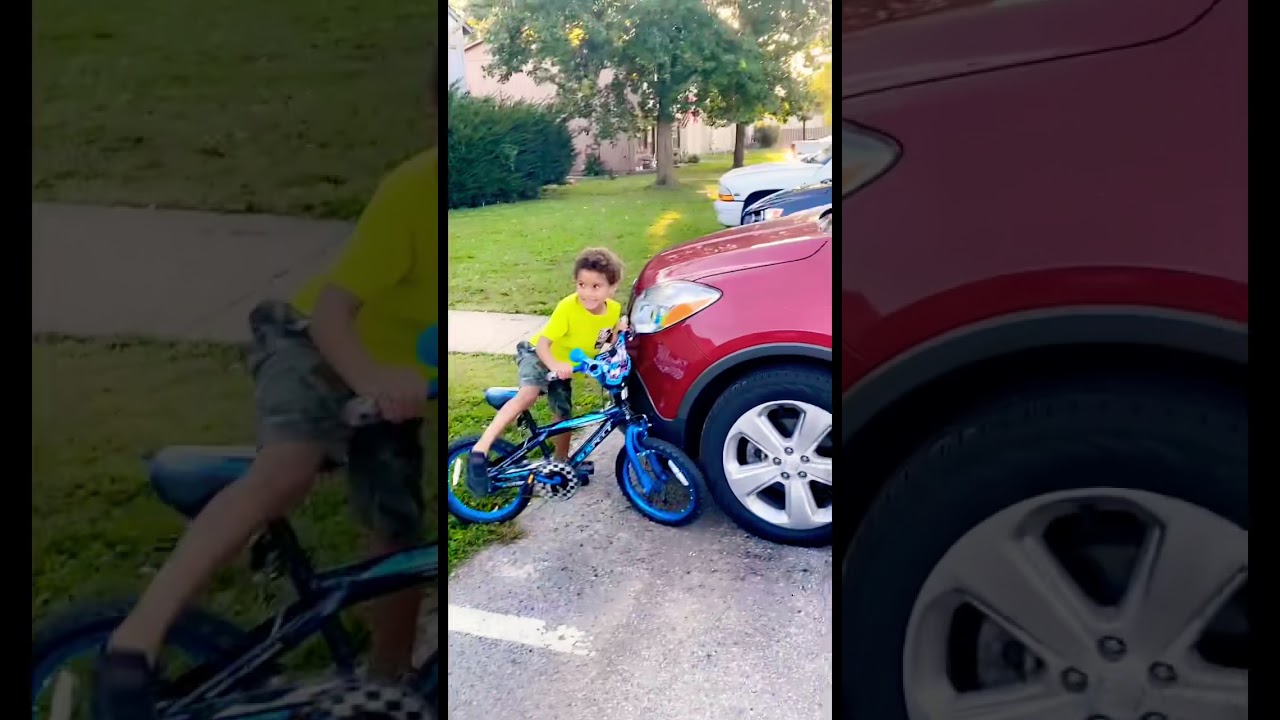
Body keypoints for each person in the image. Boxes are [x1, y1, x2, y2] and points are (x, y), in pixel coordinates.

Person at [91, 146, 440, 719]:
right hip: (311, 345)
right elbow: (330, 315)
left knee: (396, 530)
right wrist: (373, 380)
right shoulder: (416, 188)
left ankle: (390, 683)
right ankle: (134, 641)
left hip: (393, 384)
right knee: (288, 466)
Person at [467, 247, 628, 497]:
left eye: (596, 286)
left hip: (564, 367)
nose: (586, 292)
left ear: (613, 286)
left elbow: (606, 340)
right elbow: (543, 345)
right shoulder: (568, 307)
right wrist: (554, 366)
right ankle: (479, 450)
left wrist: (621, 335)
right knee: (529, 394)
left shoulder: (614, 311)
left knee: (563, 416)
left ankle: (562, 465)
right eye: (581, 284)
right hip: (538, 355)